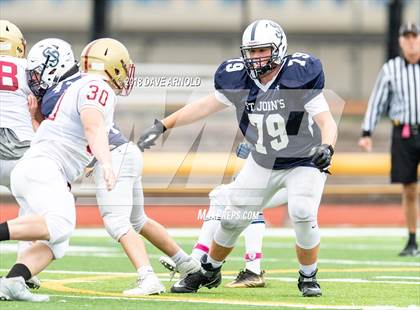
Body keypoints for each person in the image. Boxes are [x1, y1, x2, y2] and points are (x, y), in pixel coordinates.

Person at [138, 19, 337, 297]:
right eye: (251, 52)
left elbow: (327, 121)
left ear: (279, 49)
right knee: (232, 219)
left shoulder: (299, 74)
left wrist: (327, 147)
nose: (255, 58)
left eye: (262, 51)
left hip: (303, 159)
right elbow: (203, 106)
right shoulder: (237, 78)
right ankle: (209, 270)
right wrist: (163, 125)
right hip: (262, 159)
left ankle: (308, 276)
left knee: (302, 212)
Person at [26, 38, 200, 296]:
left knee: (117, 222)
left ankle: (148, 278)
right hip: (125, 152)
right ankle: (189, 265)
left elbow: (52, 141)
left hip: (113, 157)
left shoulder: (60, 93)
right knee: (138, 220)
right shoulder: (87, 86)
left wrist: (33, 117)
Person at [0, 37, 132, 302]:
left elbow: (59, 132)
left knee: (58, 240)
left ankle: (13, 282)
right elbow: (92, 126)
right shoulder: (97, 86)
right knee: (59, 224)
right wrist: (106, 162)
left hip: (38, 168)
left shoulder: (74, 86)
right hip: (43, 167)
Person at [159, 142, 288, 288]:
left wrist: (254, 152)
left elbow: (286, 148)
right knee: (219, 195)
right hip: (279, 174)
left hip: (293, 178)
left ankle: (253, 270)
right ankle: (196, 260)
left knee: (251, 198)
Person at [358, 22, 420, 257]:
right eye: (407, 37)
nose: (411, 41)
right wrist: (366, 132)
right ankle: (412, 239)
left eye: (415, 36)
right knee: (409, 187)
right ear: (401, 41)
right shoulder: (391, 68)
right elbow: (377, 101)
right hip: (403, 131)